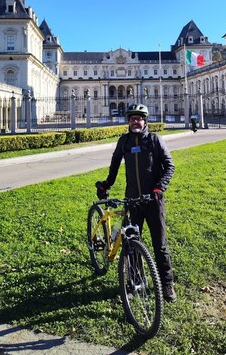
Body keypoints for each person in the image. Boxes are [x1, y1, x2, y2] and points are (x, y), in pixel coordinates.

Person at [96, 103, 177, 302]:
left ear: (145, 120)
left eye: (139, 118)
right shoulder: (124, 141)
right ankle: (135, 282)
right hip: (132, 200)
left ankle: (167, 284)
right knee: (131, 245)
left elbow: (170, 166)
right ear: (128, 121)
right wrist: (107, 183)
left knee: (160, 245)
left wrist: (159, 187)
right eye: (132, 118)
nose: (135, 121)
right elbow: (115, 164)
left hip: (153, 199)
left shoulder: (155, 140)